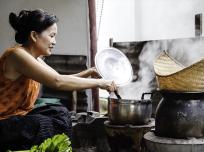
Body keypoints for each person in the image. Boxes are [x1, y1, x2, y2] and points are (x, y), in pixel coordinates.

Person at [0, 9, 117, 151]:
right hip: (4, 123)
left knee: (59, 112)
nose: (54, 42)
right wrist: (100, 83)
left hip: (17, 117)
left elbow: (60, 78)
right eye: (52, 36)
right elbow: (57, 82)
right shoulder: (17, 55)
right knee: (42, 124)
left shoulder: (34, 58)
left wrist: (90, 72)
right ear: (34, 35)